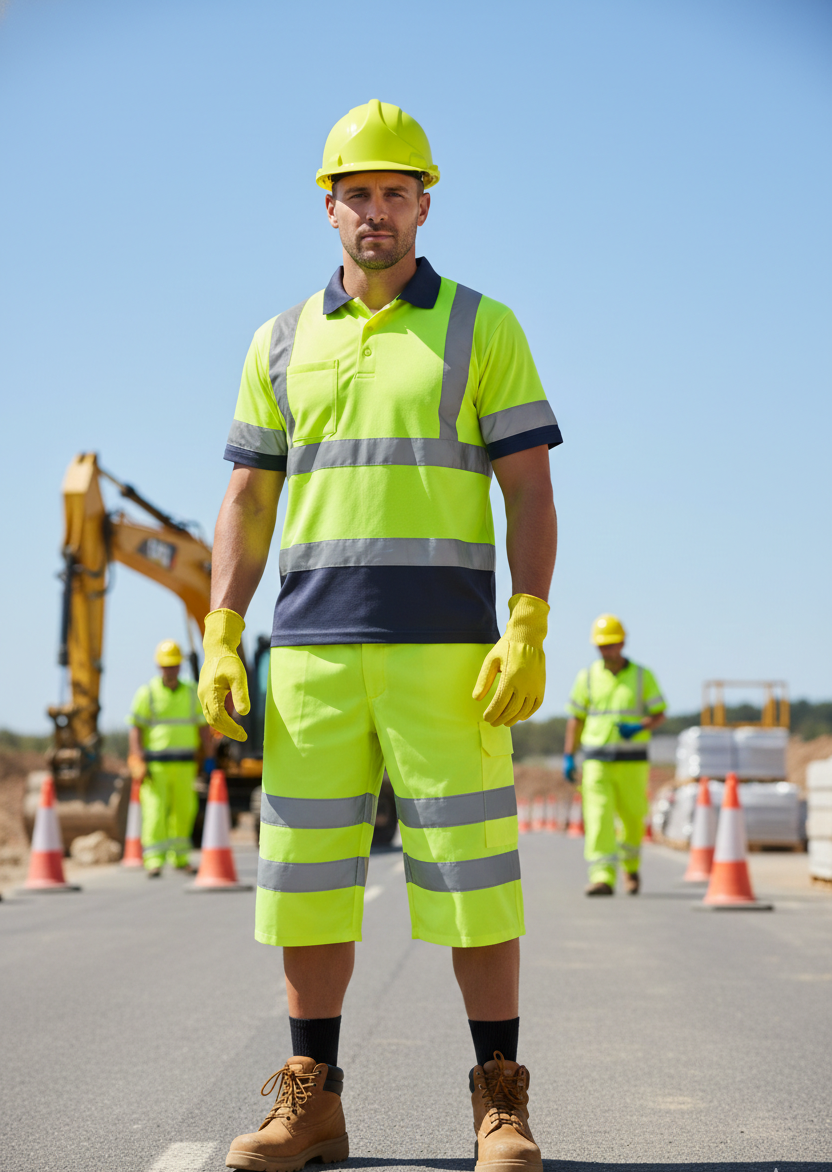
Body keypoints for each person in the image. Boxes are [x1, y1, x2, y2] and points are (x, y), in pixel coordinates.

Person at [198, 100, 562, 1171]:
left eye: (394, 192)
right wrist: (223, 626)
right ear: (329, 208)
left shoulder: (480, 325)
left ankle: (500, 1100)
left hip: (447, 656)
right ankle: (312, 1100)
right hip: (309, 656)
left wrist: (528, 619)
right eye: (356, 193)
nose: (375, 212)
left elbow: (530, 493)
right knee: (308, 885)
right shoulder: (278, 339)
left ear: (424, 203)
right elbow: (246, 499)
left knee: (475, 880)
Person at [563, 614, 666, 896]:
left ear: (622, 643)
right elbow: (576, 719)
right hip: (597, 761)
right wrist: (569, 756)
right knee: (597, 819)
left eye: (610, 645)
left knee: (633, 818)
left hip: (632, 762)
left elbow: (659, 714)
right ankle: (602, 876)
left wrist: (641, 726)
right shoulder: (586, 677)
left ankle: (630, 868)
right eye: (601, 646)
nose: (605, 651)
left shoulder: (643, 677)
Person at [127, 639, 214, 877]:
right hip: (156, 767)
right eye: (167, 665)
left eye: (174, 665)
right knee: (155, 812)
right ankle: (154, 860)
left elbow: (203, 728)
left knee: (184, 811)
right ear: (159, 666)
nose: (171, 670)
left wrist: (209, 757)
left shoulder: (190, 693)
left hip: (186, 765)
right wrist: (137, 758)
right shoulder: (148, 694)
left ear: (180, 666)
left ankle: (181, 857)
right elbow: (136, 729)